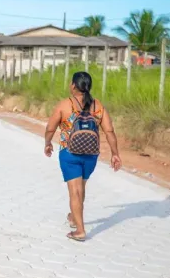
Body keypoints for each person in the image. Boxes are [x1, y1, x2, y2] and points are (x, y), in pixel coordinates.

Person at [44, 71, 122, 242]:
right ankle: (73, 217)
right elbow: (109, 131)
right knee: (81, 188)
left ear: (73, 85)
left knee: (75, 191)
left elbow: (50, 128)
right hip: (91, 155)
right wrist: (115, 154)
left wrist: (47, 143)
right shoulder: (98, 106)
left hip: (69, 153)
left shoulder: (64, 105)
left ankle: (80, 230)